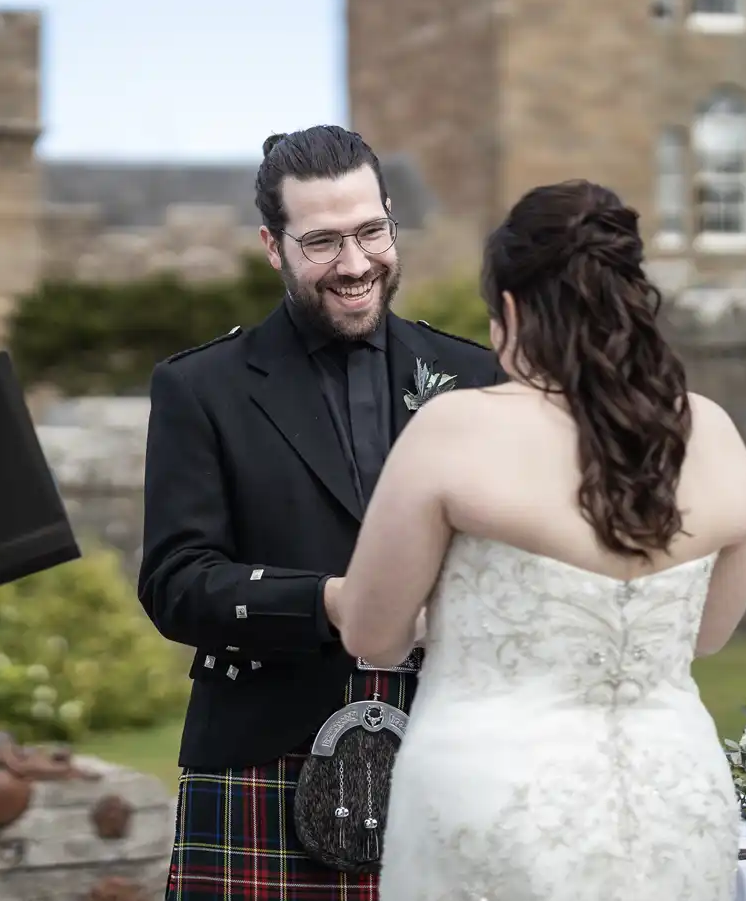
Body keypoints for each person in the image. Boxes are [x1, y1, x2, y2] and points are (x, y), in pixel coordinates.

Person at [327, 179, 746, 900]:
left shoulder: (455, 429)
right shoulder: (713, 433)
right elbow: (707, 635)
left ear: (509, 309)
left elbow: (374, 635)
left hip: (496, 803)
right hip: (675, 803)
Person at [138, 125, 507, 899]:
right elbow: (176, 581)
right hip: (267, 756)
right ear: (273, 246)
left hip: (451, 747)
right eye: (323, 242)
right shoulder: (203, 388)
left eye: (372, 231)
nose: (354, 263)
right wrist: (330, 602)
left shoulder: (475, 375)